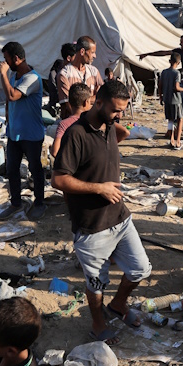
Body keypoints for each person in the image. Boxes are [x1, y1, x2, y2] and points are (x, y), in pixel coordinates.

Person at [51, 80, 152, 344]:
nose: (121, 115)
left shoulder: (108, 126)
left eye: (123, 110)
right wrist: (99, 188)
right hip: (91, 226)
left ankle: (118, 305)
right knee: (97, 284)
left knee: (140, 269)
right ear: (97, 101)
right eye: (116, 110)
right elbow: (59, 180)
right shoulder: (76, 134)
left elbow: (123, 133)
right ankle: (97, 323)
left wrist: (113, 123)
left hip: (120, 218)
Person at [0, 41, 47, 221]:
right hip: (15, 133)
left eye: (6, 59)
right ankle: (16, 202)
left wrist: (2, 73)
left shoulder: (32, 78)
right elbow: (8, 100)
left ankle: (40, 202)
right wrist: (8, 119)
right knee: (11, 169)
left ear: (16, 58)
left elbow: (12, 95)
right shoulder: (14, 76)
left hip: (31, 134)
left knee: (35, 169)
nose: (4, 63)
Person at [56, 35, 103, 105]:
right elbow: (67, 105)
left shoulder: (94, 72)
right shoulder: (65, 74)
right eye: (92, 52)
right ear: (82, 52)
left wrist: (81, 101)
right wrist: (92, 100)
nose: (94, 56)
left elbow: (102, 97)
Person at [51, 82, 92, 159]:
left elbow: (55, 152)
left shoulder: (64, 124)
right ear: (86, 103)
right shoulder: (94, 122)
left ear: (69, 103)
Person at [160, 53, 183, 149]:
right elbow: (176, 88)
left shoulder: (164, 72)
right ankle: (178, 141)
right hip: (176, 100)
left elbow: (160, 85)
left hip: (167, 99)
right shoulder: (177, 73)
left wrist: (160, 97)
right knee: (179, 119)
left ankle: (171, 139)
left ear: (169, 61)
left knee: (170, 120)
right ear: (178, 62)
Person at [46, 43, 77, 112]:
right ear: (69, 58)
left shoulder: (77, 70)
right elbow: (55, 96)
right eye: (76, 57)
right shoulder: (57, 74)